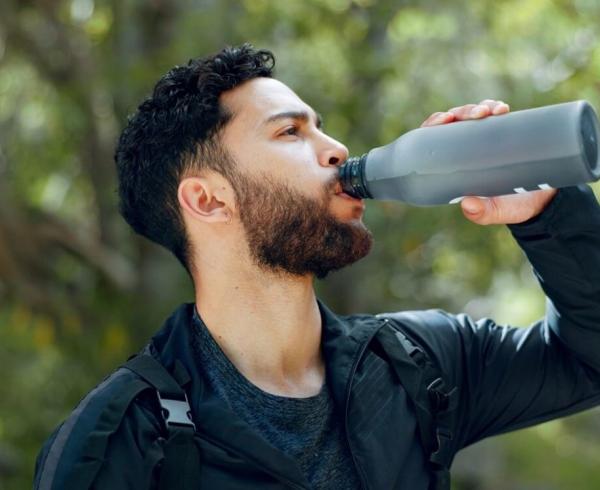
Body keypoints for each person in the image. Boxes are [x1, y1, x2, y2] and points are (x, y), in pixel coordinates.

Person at [34, 44, 600, 490]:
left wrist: (547, 210)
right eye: (290, 132)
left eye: (320, 126)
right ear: (208, 200)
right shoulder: (119, 441)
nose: (334, 149)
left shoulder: (416, 364)